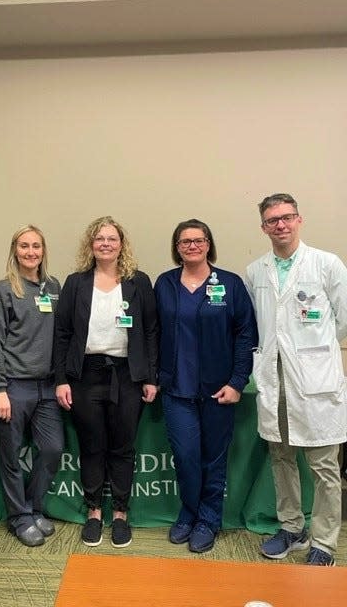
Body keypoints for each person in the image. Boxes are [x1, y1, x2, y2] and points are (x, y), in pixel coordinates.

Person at [245, 193, 347, 566]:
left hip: (315, 381)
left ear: (299, 220)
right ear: (264, 227)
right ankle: (291, 527)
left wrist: (314, 351)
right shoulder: (256, 271)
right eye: (272, 220)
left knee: (324, 467)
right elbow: (259, 325)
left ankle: (323, 542)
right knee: (281, 458)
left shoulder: (326, 264)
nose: (281, 225)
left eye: (287, 217)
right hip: (275, 381)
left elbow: (344, 319)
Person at [54, 216, 157, 548]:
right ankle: (95, 512)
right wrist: (61, 380)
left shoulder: (139, 282)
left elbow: (152, 332)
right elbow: (62, 334)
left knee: (123, 447)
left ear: (121, 244)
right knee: (92, 446)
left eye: (112, 239)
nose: (106, 244)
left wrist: (150, 377)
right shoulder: (76, 283)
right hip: (85, 375)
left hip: (127, 375)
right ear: (91, 244)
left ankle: (121, 514)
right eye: (99, 238)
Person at [154, 219, 257, 553]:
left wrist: (237, 382)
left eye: (199, 240)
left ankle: (209, 519)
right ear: (177, 248)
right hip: (176, 390)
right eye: (185, 242)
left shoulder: (229, 284)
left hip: (218, 390)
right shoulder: (165, 284)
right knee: (185, 456)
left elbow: (245, 336)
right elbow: (152, 333)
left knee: (214, 458)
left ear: (209, 244)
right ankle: (189, 512)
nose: (192, 246)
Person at [0, 225, 63, 547]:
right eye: (24, 246)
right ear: (15, 251)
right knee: (11, 456)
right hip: (14, 386)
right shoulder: (4, 289)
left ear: (44, 251)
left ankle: (34, 507)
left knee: (52, 449)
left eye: (36, 246)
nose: (31, 252)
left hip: (47, 388)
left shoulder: (54, 286)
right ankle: (18, 517)